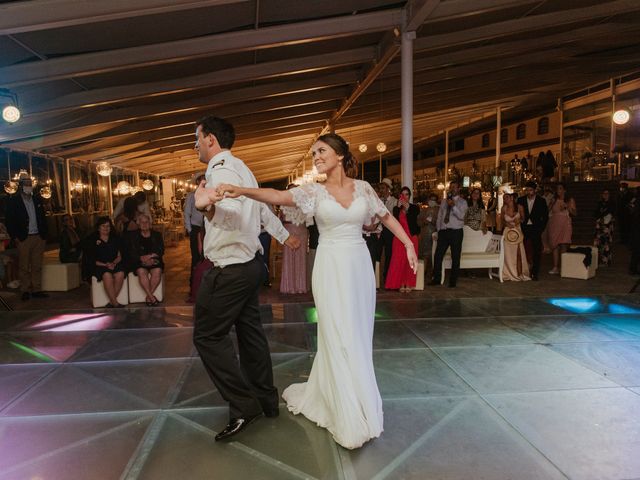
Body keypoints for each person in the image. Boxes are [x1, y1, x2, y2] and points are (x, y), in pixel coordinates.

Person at [204, 132, 418, 449]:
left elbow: (386, 217)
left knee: (357, 334)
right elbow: (276, 196)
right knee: (337, 334)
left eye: (322, 151)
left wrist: (407, 244)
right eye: (314, 152)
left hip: (358, 266)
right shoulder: (313, 193)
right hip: (329, 266)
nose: (316, 157)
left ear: (341, 156)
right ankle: (344, 412)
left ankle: (359, 401)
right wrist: (241, 190)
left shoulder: (364, 189)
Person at [190, 116, 285, 443]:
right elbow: (261, 211)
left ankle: (244, 406)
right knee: (250, 333)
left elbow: (224, 209)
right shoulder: (244, 168)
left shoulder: (219, 170)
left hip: (230, 268)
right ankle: (266, 400)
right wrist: (286, 237)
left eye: (197, 138)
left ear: (211, 140)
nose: (195, 145)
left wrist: (204, 205)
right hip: (251, 266)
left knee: (207, 336)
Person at [4, 173, 49, 301]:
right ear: (21, 186)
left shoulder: (37, 200)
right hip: (23, 238)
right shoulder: (14, 201)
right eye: (26, 184)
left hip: (38, 237)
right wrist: (15, 237)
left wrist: (44, 235)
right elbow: (9, 221)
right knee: (24, 266)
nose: (29, 186)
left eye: (30, 184)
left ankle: (37, 289)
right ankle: (25, 290)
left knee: (37, 265)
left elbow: (43, 218)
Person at [431, 180, 468, 287]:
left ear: (458, 189)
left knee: (455, 256)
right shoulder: (443, 201)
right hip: (444, 231)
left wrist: (453, 206)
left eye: (454, 187)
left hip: (456, 232)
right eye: (451, 187)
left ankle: (453, 281)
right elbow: (440, 216)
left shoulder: (462, 202)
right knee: (438, 255)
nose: (452, 189)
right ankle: (436, 279)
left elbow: (461, 216)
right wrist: (439, 230)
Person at [83, 217, 126, 308]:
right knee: (107, 274)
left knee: (121, 273)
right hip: (99, 265)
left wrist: (114, 263)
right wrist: (105, 264)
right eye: (103, 226)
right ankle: (115, 303)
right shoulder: (92, 240)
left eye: (108, 226)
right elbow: (91, 259)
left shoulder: (115, 239)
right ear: (98, 227)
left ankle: (111, 302)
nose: (106, 228)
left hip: (114, 264)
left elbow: (119, 256)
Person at [385, 186, 419, 292]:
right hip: (399, 238)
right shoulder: (396, 209)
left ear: (409, 196)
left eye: (407, 194)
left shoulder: (414, 208)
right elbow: (394, 223)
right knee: (398, 261)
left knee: (410, 262)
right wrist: (398, 208)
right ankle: (400, 283)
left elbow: (413, 220)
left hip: (411, 237)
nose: (404, 196)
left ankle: (408, 284)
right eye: (402, 194)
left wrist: (407, 208)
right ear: (400, 196)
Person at [127, 214, 164, 306]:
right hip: (140, 261)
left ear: (150, 223)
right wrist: (141, 258)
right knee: (141, 272)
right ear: (138, 224)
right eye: (142, 222)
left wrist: (150, 257)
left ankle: (148, 297)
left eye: (146, 222)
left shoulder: (157, 235)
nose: (144, 224)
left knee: (157, 271)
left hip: (154, 260)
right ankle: (151, 297)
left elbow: (161, 250)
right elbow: (131, 252)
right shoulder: (133, 236)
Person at [280, 184, 309, 294]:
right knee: (290, 258)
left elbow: (280, 219)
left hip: (299, 230)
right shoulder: (284, 205)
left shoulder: (304, 204)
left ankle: (300, 286)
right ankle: (291, 286)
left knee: (300, 259)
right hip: (290, 231)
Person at [517, 181, 549, 280]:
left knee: (536, 251)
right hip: (524, 227)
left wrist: (541, 229)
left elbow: (545, 216)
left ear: (535, 190)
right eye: (527, 190)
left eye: (530, 190)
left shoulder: (541, 201)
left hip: (536, 228)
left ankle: (535, 272)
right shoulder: (521, 200)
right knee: (522, 249)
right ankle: (523, 271)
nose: (528, 192)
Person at [547, 183, 577, 274]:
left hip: (565, 223)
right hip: (555, 223)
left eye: (560, 188)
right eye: (557, 189)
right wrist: (551, 204)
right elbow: (548, 210)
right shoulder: (554, 199)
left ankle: (564, 267)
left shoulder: (569, 200)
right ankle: (555, 267)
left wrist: (568, 207)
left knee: (563, 244)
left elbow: (574, 213)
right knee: (555, 245)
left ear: (564, 190)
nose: (558, 191)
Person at [183, 174, 205, 292]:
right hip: (196, 228)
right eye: (202, 180)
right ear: (197, 182)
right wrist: (190, 230)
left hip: (207, 229)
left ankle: (206, 284)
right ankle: (194, 285)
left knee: (207, 256)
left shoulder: (209, 194)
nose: (204, 182)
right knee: (196, 257)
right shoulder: (191, 196)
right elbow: (187, 213)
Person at [501, 193, 530, 281]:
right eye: (504, 198)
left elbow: (524, 219)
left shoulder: (519, 207)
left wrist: (518, 221)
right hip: (507, 231)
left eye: (506, 197)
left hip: (517, 231)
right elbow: (502, 220)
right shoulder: (504, 208)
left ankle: (519, 273)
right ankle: (508, 272)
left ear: (512, 198)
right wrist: (507, 224)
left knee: (518, 252)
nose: (505, 199)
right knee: (508, 253)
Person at [378, 178, 397, 282]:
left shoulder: (395, 201)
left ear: (389, 189)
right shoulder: (378, 200)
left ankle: (387, 277)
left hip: (389, 231)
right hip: (379, 230)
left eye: (383, 188)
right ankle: (377, 277)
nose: (381, 190)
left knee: (389, 254)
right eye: (380, 188)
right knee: (378, 253)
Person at [417, 193, 439, 278]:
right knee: (424, 254)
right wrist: (423, 222)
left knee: (433, 254)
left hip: (434, 235)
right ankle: (423, 272)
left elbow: (441, 223)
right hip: (424, 234)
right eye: (431, 199)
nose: (432, 201)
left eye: (434, 200)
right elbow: (418, 221)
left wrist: (433, 221)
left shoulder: (439, 210)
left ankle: (433, 272)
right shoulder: (424, 210)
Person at [594, 189, 615, 267]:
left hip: (607, 225)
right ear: (602, 195)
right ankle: (598, 260)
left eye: (607, 193)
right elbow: (596, 212)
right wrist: (600, 216)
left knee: (606, 242)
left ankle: (606, 261)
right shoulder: (599, 203)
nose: (605, 195)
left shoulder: (612, 203)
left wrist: (602, 215)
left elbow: (610, 212)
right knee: (599, 242)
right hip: (599, 225)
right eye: (604, 193)